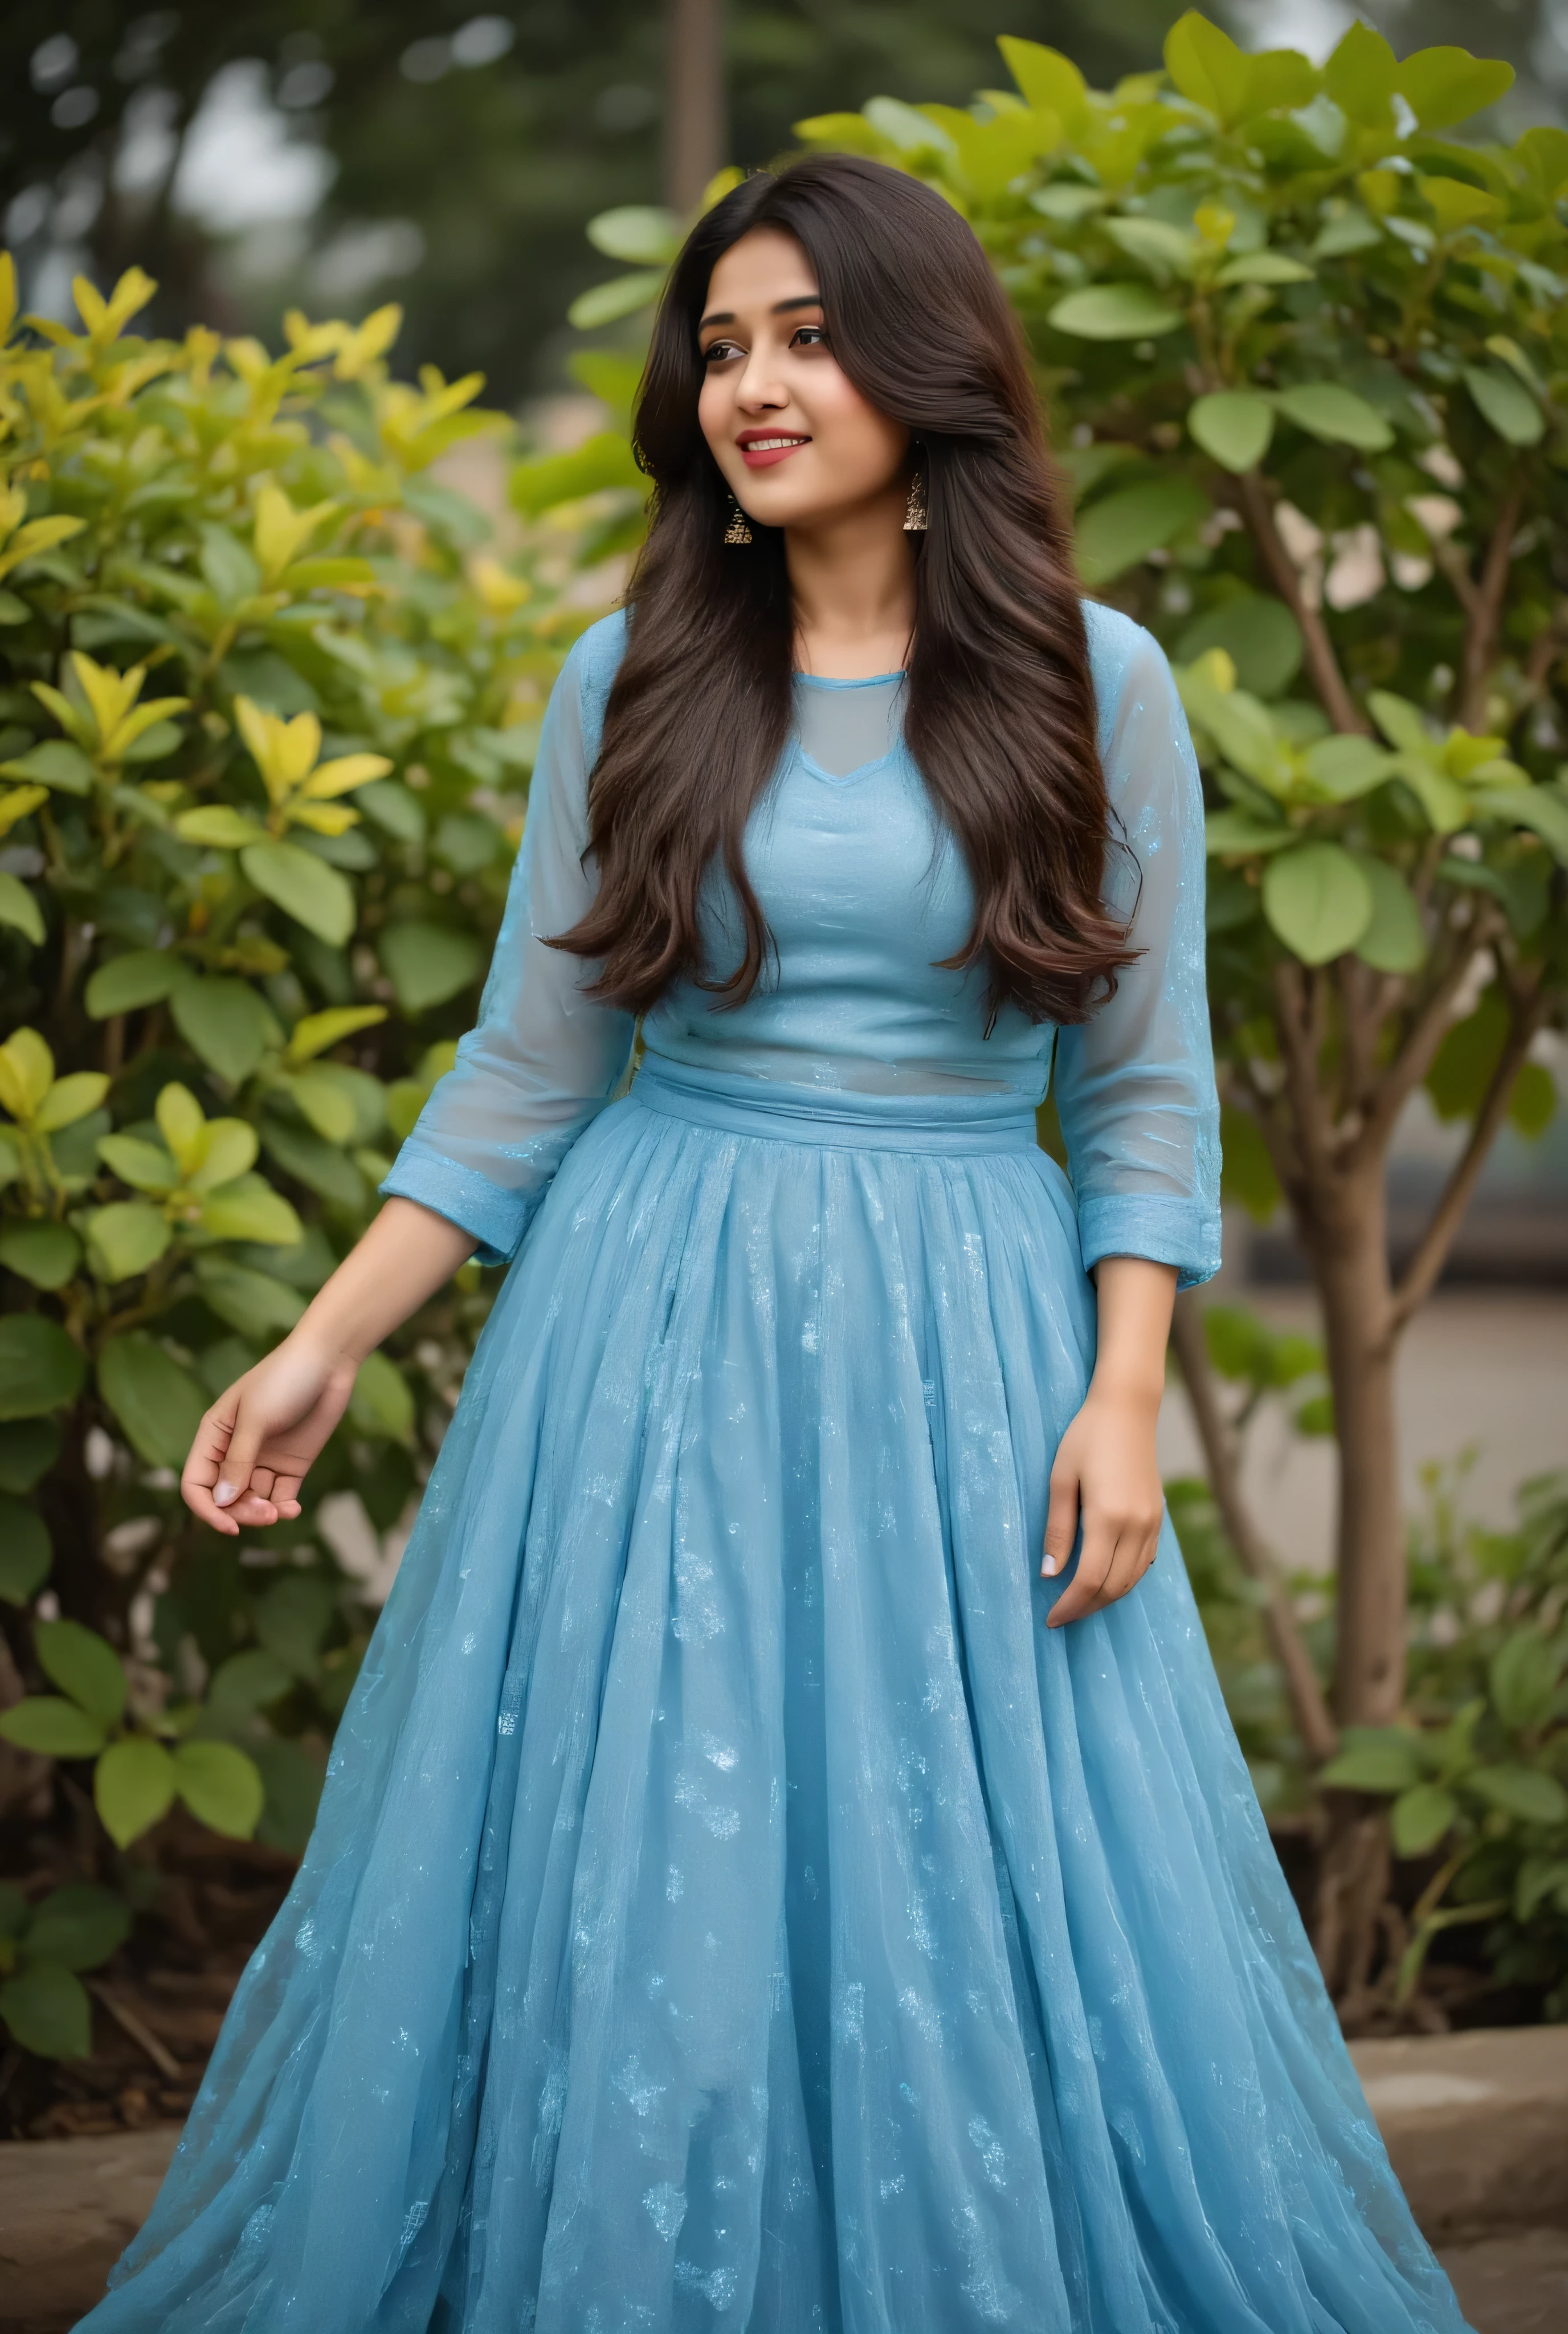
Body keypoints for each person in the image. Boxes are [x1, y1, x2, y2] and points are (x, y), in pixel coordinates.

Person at [80, 156, 1473, 2334]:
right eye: (722, 343)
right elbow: (529, 1069)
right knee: (659, 1870)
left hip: (966, 1348)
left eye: (809, 334)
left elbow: (1141, 1088)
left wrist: (1124, 1401)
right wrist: (324, 1338)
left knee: (960, 1878)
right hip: (648, 1348)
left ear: (924, 366)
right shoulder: (628, 678)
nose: (755, 382)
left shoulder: (1092, 688)